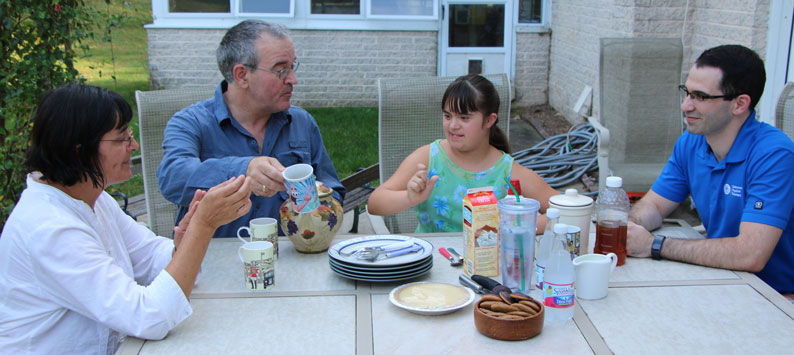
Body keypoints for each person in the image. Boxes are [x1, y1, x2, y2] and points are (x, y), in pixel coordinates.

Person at [0, 84, 253, 355]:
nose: (133, 146)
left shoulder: (90, 199)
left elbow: (152, 260)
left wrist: (185, 238)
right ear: (79, 150)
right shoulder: (48, 227)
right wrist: (202, 228)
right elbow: (150, 316)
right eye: (121, 138)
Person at [626, 45, 794, 301]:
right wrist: (630, 227)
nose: (686, 106)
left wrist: (654, 245)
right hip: (720, 278)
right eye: (686, 92)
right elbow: (653, 204)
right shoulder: (691, 142)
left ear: (739, 104)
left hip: (774, 296)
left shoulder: (774, 156)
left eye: (701, 97)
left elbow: (750, 254)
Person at [157, 20, 344, 237]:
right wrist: (243, 170)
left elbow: (332, 189)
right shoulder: (191, 122)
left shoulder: (301, 123)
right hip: (212, 260)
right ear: (242, 75)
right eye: (281, 70)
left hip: (290, 258)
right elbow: (172, 178)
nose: (293, 79)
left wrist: (319, 209)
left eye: (292, 67)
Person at [367, 74, 559, 233]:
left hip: (486, 267)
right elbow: (375, 203)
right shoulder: (428, 158)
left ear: (489, 120)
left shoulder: (507, 171)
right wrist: (409, 198)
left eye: (464, 118)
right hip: (431, 265)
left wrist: (514, 228)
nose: (453, 125)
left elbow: (564, 211)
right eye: (447, 115)